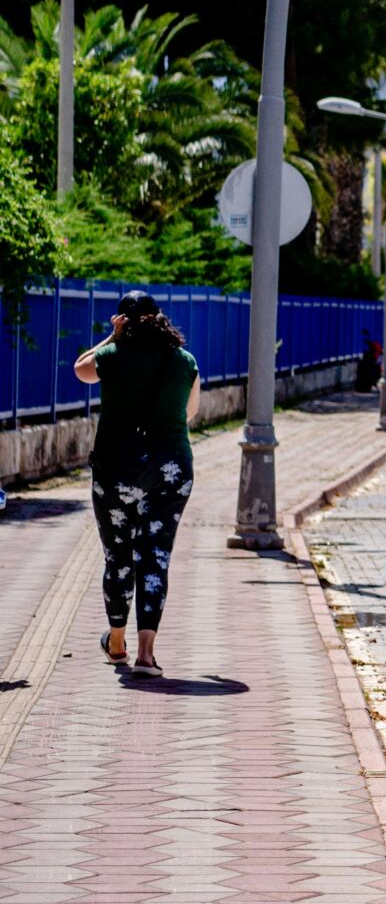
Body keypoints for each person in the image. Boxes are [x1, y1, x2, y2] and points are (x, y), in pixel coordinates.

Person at [73, 291, 202, 679]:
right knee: (155, 557)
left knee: (118, 555)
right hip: (170, 470)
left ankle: (116, 643)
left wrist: (112, 338)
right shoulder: (185, 361)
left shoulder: (112, 357)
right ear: (160, 319)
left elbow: (81, 369)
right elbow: (191, 413)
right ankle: (147, 655)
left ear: (124, 322)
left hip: (117, 471)